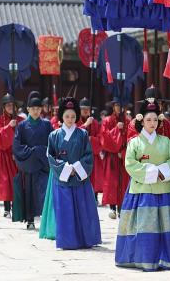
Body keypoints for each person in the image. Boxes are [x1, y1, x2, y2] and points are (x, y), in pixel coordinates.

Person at [115, 98, 170, 271]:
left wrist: (164, 171)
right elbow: (129, 163)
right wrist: (152, 172)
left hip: (165, 188)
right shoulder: (134, 142)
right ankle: (143, 257)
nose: (152, 123)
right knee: (144, 225)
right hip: (142, 190)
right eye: (148, 120)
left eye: (154, 120)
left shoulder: (165, 141)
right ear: (141, 121)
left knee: (169, 223)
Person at [45, 97, 101, 249]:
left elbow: (88, 155)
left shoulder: (82, 134)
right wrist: (66, 169)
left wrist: (76, 168)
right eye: (67, 116)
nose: (70, 119)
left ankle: (85, 239)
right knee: (65, 212)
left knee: (83, 210)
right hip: (62, 179)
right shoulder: (54, 135)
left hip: (79, 178)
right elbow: (51, 156)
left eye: (73, 116)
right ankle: (68, 241)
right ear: (61, 117)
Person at [12, 91, 53, 230]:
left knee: (44, 192)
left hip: (43, 165)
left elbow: (52, 144)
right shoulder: (22, 126)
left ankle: (45, 219)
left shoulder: (47, 125)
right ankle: (30, 219)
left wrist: (41, 151)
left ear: (41, 109)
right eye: (33, 109)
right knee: (29, 193)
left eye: (38, 108)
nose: (36, 111)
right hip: (29, 165)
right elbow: (17, 146)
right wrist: (32, 152)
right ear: (28, 109)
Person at [0, 94, 24, 217]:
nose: (11, 107)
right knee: (6, 182)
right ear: (4, 107)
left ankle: (17, 206)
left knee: (18, 182)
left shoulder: (21, 120)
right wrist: (8, 127)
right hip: (4, 155)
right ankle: (6, 208)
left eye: (12, 105)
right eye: (8, 105)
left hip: (18, 155)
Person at [100, 97, 130, 219]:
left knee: (123, 182)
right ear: (113, 107)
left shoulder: (128, 121)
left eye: (121, 105)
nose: (119, 108)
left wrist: (123, 151)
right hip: (111, 156)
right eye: (117, 105)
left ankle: (122, 208)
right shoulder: (107, 120)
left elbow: (131, 137)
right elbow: (104, 137)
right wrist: (116, 129)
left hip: (123, 156)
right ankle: (112, 207)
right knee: (112, 182)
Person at [77, 97, 104, 200]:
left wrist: (90, 139)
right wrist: (85, 125)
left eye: (87, 108)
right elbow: (74, 136)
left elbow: (101, 140)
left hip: (92, 156)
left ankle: (94, 198)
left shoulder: (96, 123)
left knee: (93, 180)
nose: (85, 111)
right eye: (83, 108)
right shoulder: (75, 121)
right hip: (79, 157)